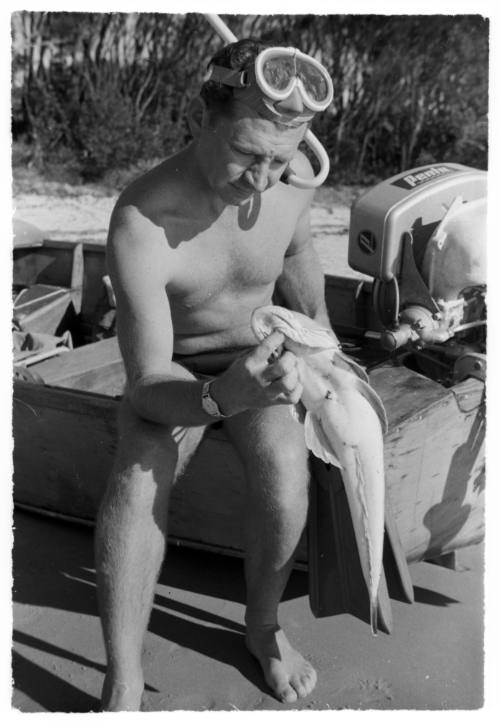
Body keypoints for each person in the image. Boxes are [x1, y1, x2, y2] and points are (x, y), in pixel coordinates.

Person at [95, 38, 334, 711]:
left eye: (278, 160)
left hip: (253, 357)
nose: (261, 178)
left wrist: (318, 327)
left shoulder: (289, 183)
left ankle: (263, 630)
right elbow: (144, 381)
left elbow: (299, 246)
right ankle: (125, 677)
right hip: (172, 368)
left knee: (287, 473)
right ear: (206, 115)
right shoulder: (145, 218)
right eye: (247, 154)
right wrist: (214, 397)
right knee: (135, 481)